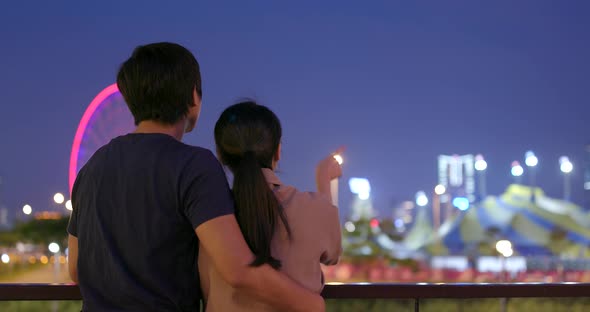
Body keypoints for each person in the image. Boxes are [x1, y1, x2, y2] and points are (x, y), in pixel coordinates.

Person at [67, 42, 325, 312]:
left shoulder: (92, 168)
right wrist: (311, 303)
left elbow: (76, 268)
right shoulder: (193, 165)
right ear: (193, 97)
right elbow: (238, 269)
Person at [199, 101, 342, 311]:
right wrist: (324, 183)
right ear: (278, 151)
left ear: (220, 154)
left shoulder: (208, 215)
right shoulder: (314, 208)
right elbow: (333, 255)